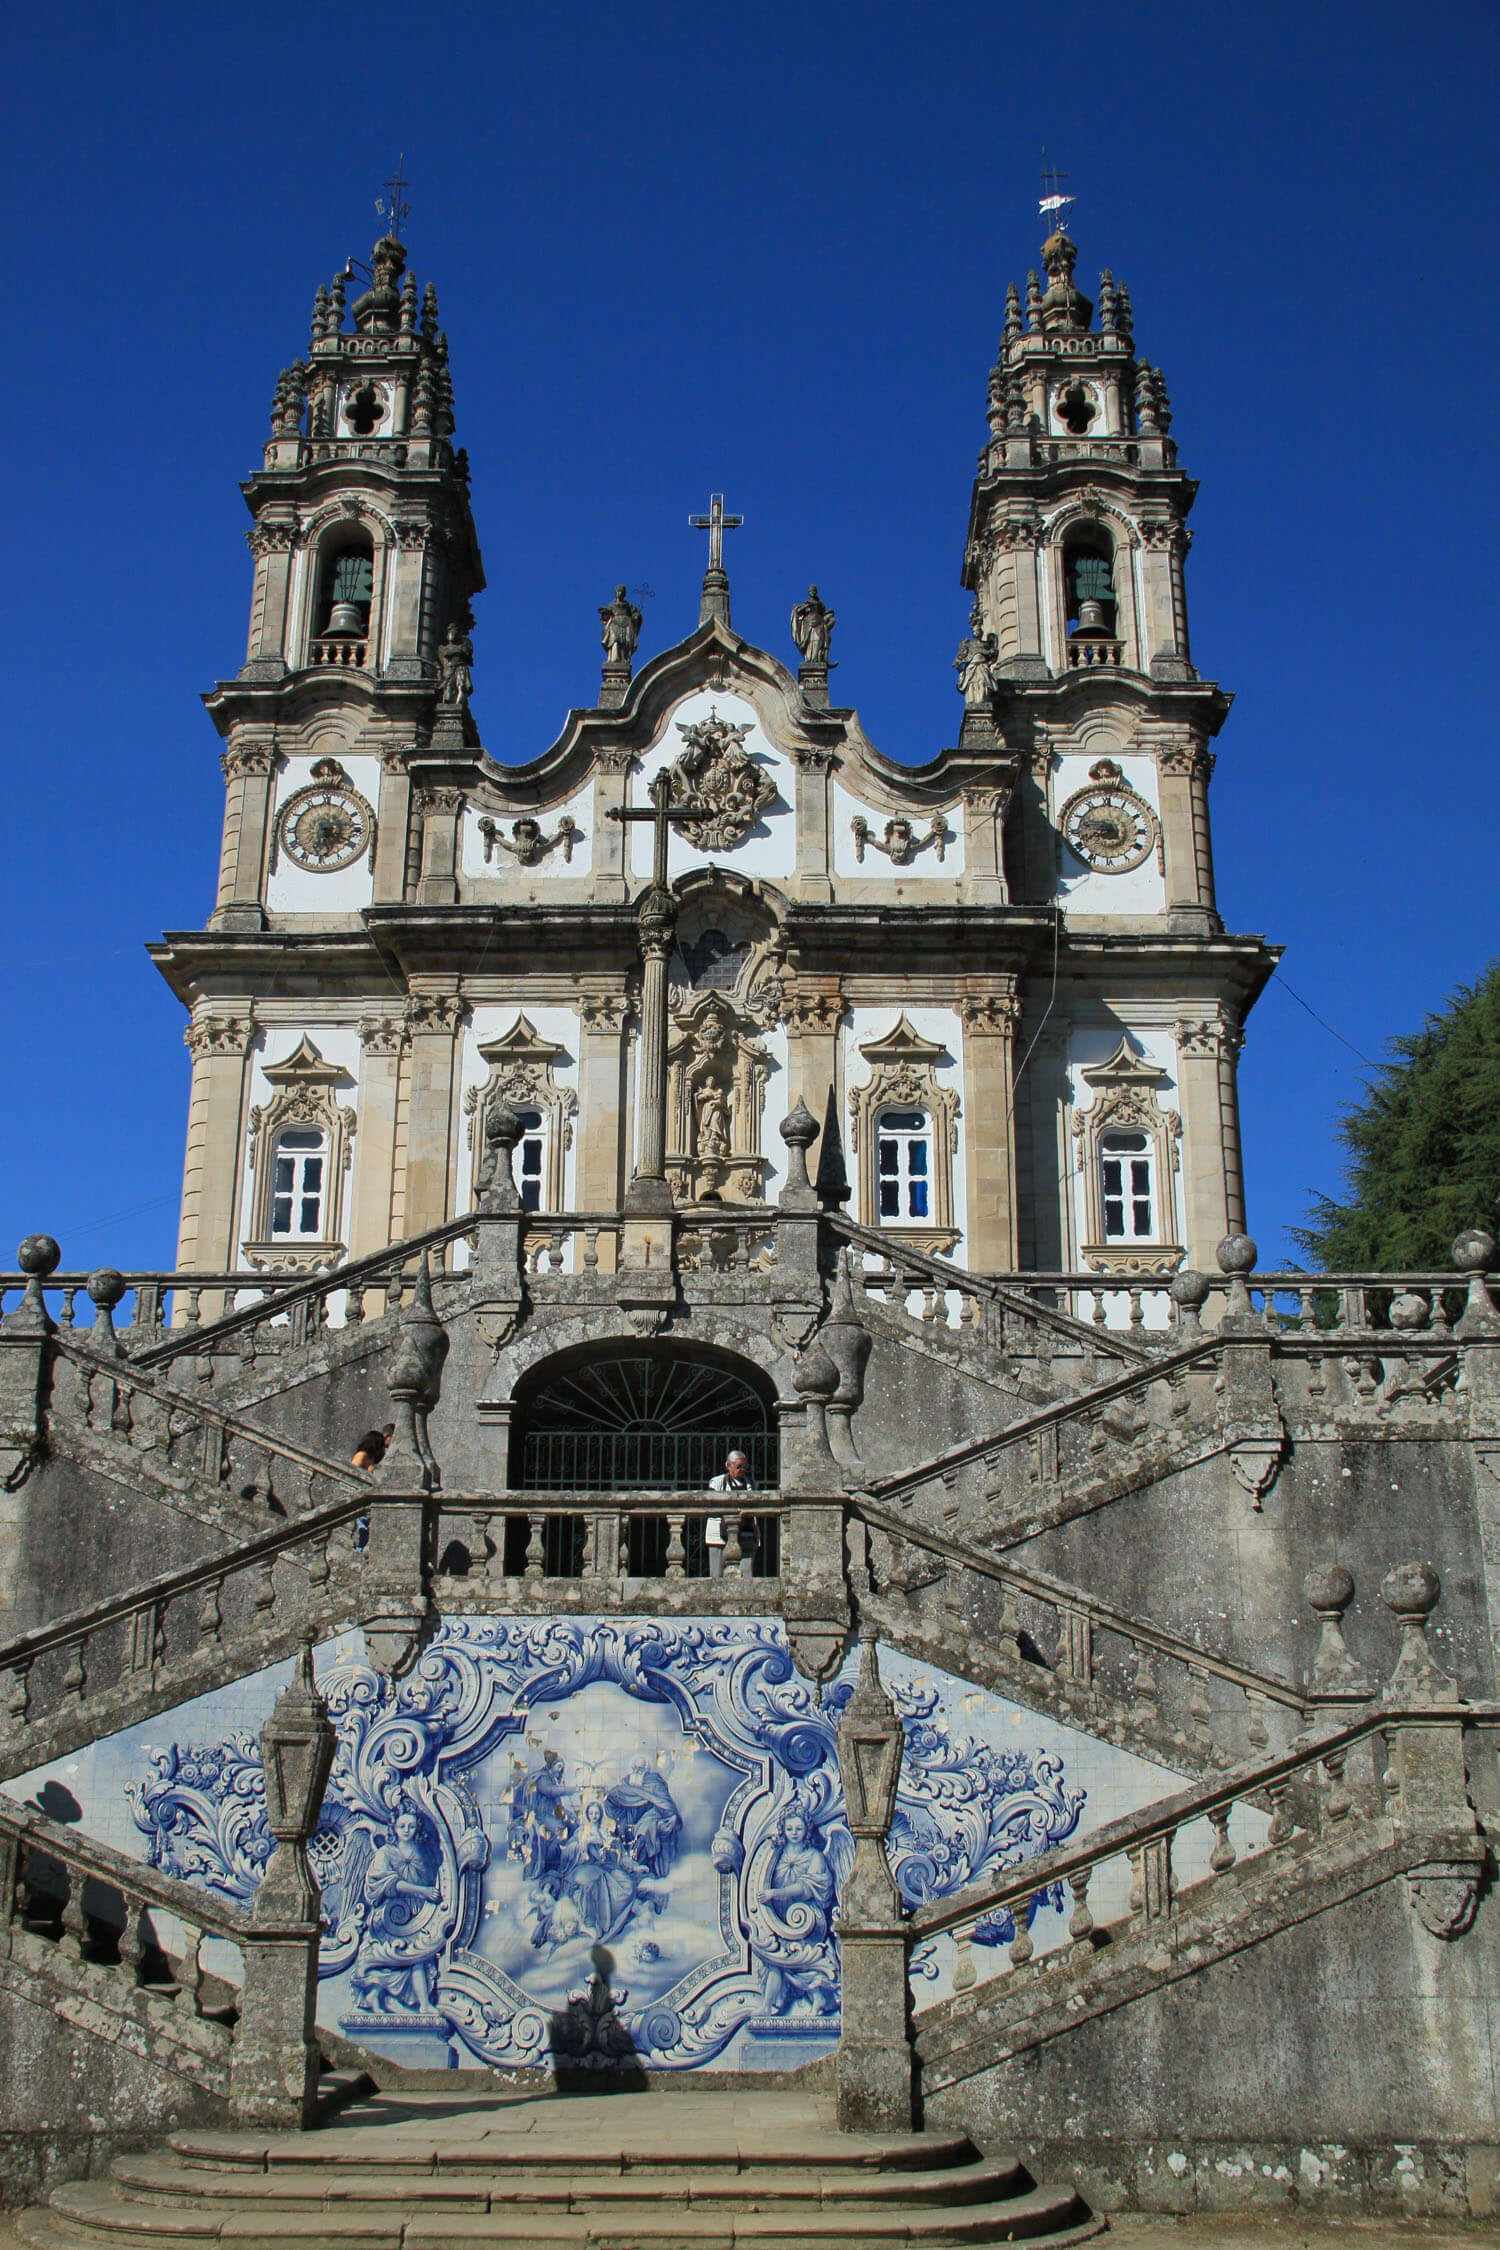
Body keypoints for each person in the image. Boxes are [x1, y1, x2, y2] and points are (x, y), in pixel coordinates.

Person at [705, 1450, 755, 1580]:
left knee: (745, 1575)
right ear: (729, 1466)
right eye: (739, 1466)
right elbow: (711, 1502)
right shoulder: (717, 1482)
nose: (742, 1470)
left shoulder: (751, 1484)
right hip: (718, 1534)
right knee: (716, 1575)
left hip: (746, 1533)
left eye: (745, 1467)